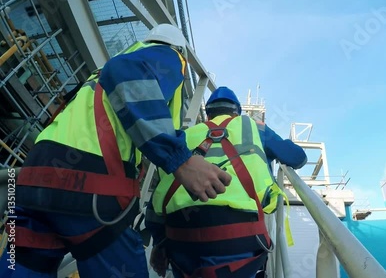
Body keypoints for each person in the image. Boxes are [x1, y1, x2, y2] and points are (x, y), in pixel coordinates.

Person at [0, 24, 231, 278]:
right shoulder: (167, 55)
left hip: (33, 178)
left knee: (20, 266)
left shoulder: (102, 72)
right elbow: (128, 73)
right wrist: (181, 161)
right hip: (86, 183)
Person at [146, 86, 307, 278]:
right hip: (241, 238)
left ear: (208, 114)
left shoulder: (184, 135)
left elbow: (159, 191)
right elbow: (297, 158)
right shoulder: (254, 127)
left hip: (180, 238)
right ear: (236, 111)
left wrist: (159, 243)